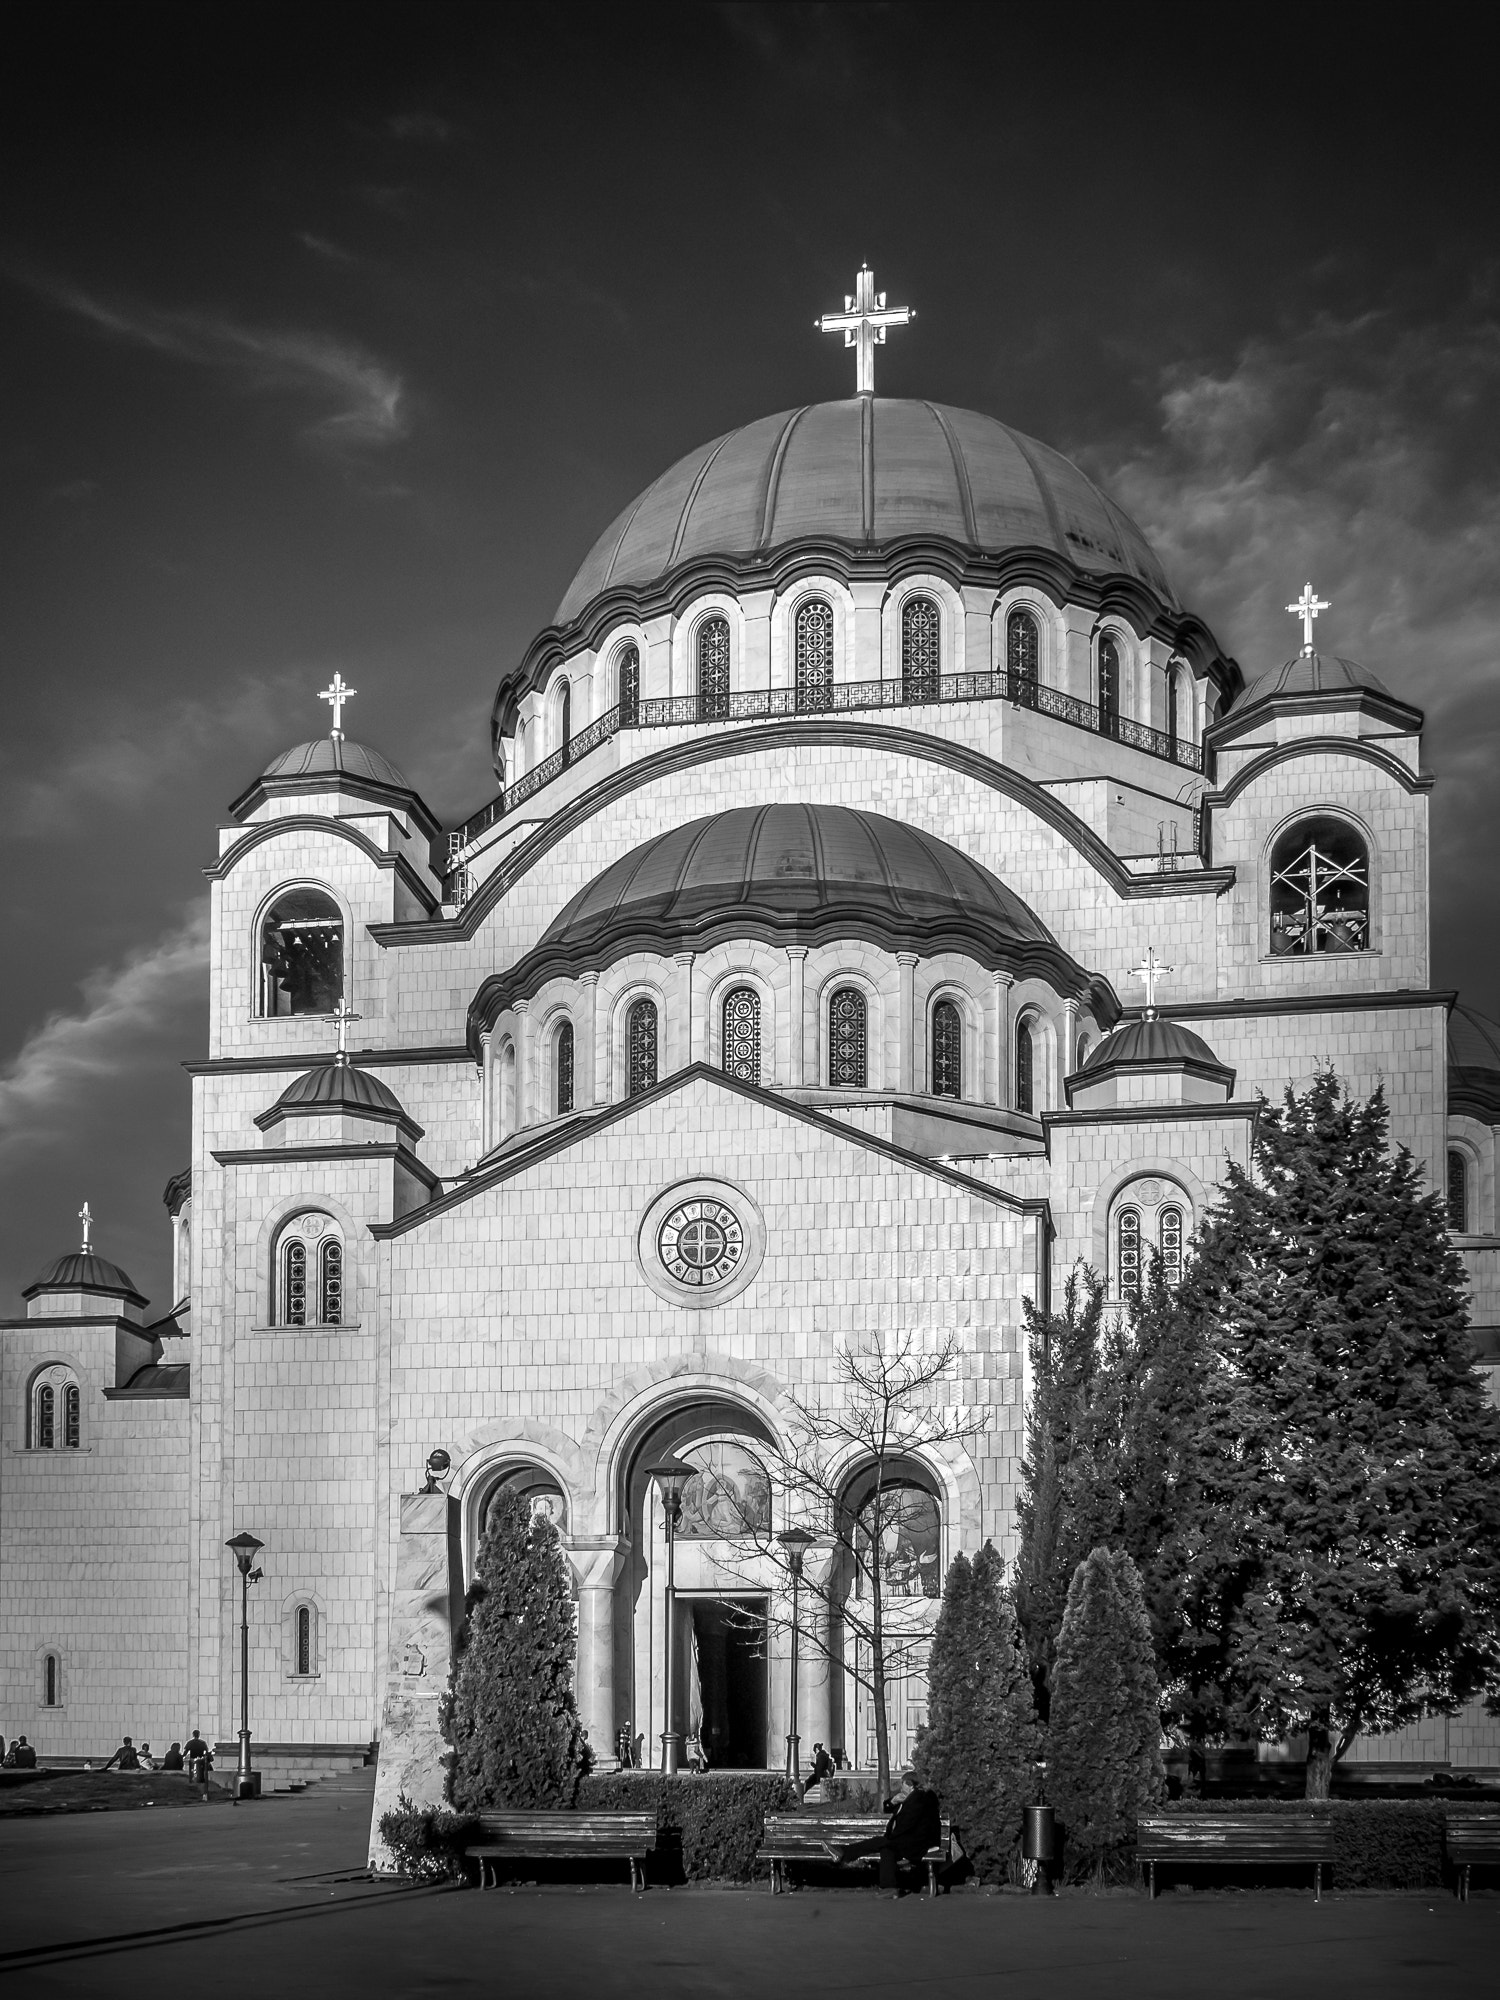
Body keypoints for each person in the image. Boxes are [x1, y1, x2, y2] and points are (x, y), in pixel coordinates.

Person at [837, 1769, 942, 1896]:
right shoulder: (913, 1798)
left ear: (909, 1784)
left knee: (883, 1842)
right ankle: (889, 1888)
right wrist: (893, 1802)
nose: (900, 1788)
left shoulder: (918, 1799)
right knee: (887, 1850)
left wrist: (890, 1838)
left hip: (916, 1845)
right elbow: (888, 1808)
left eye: (902, 1784)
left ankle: (844, 1853)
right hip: (909, 1841)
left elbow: (906, 1823)